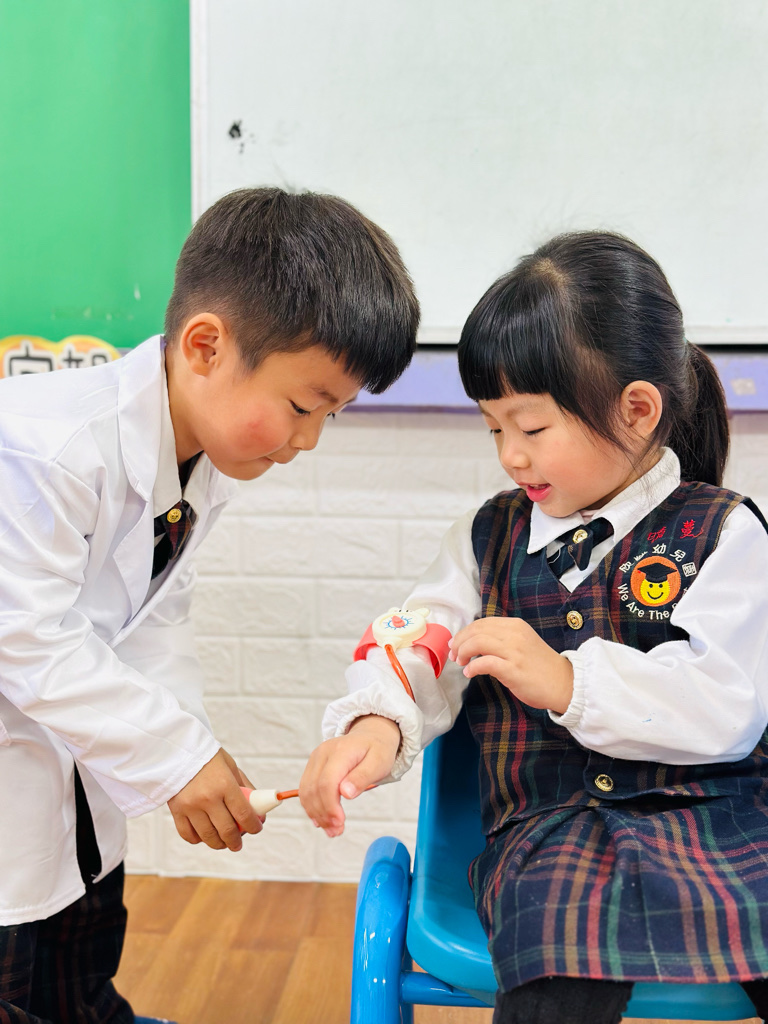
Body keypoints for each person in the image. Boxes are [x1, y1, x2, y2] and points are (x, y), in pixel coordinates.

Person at [301, 231, 768, 1024]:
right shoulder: (485, 540)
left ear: (637, 410)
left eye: (532, 427)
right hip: (552, 837)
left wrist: (566, 680)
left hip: (724, 821)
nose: (511, 457)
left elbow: (728, 705)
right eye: (494, 429)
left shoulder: (725, 533)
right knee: (553, 967)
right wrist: (377, 722)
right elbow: (421, 641)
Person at [0, 186, 418, 1023]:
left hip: (63, 771)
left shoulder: (202, 460)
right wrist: (173, 755)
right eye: (301, 407)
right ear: (205, 346)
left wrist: (191, 751)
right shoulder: (48, 449)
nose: (306, 441)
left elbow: (154, 615)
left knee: (79, 951)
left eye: (330, 416)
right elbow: (25, 637)